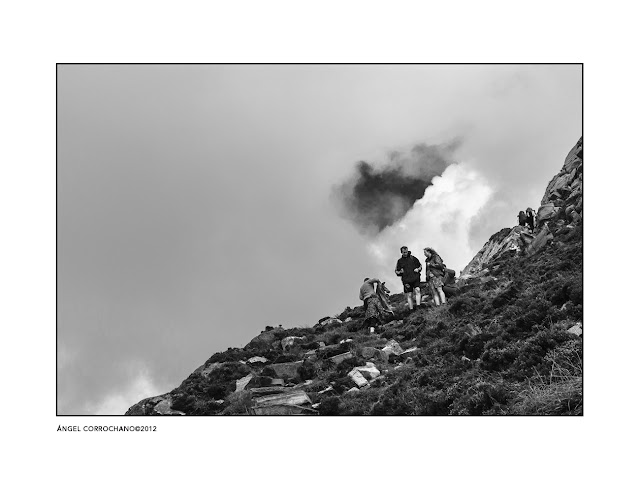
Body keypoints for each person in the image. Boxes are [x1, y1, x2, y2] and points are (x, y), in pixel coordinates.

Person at [395, 246, 422, 310]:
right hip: (406, 280)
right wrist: (400, 272)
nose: (405, 253)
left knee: (417, 290)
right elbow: (396, 271)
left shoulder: (413, 258)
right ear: (401, 252)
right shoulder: (400, 261)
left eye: (406, 252)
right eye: (404, 252)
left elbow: (420, 266)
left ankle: (418, 306)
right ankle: (411, 309)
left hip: (415, 278)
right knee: (409, 295)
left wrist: (418, 269)